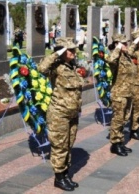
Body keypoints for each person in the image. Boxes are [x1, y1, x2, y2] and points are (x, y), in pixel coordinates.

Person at [37, 37, 84, 191]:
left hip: (72, 112)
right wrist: (58, 53)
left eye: (73, 49)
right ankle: (59, 178)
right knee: (59, 146)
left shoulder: (72, 66)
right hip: (59, 113)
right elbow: (41, 68)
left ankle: (65, 174)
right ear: (63, 51)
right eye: (70, 50)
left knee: (68, 144)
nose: (73, 52)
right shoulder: (56, 66)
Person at [106, 34, 136, 156]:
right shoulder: (115, 56)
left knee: (124, 118)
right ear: (117, 44)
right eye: (124, 43)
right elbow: (110, 60)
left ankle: (120, 142)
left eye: (126, 43)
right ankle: (115, 144)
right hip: (119, 93)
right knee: (118, 119)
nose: (126, 45)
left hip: (128, 92)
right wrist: (118, 48)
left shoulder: (126, 56)